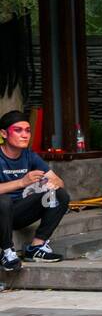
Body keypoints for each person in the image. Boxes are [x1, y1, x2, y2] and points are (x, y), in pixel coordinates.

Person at [0, 110, 69, 270]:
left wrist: (48, 183)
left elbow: (59, 181)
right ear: (3, 133)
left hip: (17, 212)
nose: (25, 135)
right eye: (18, 130)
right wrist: (22, 182)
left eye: (28, 130)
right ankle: (7, 251)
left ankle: (36, 247)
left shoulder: (29, 155)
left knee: (59, 195)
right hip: (1, 211)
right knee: (4, 200)